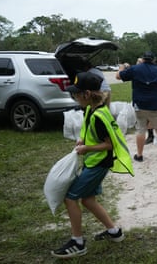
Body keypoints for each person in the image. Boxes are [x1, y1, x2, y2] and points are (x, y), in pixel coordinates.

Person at [51, 72, 133, 259]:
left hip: (98, 164)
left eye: (75, 94)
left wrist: (87, 148)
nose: (74, 97)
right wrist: (82, 139)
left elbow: (109, 144)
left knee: (70, 198)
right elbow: (89, 131)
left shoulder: (99, 115)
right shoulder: (91, 110)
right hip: (93, 162)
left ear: (86, 94)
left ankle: (77, 242)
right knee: (88, 200)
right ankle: (114, 232)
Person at [115, 51, 157, 162]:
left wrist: (121, 68)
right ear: (154, 60)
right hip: (156, 106)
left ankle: (139, 155)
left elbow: (118, 77)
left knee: (141, 130)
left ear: (143, 59)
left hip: (139, 106)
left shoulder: (135, 69)